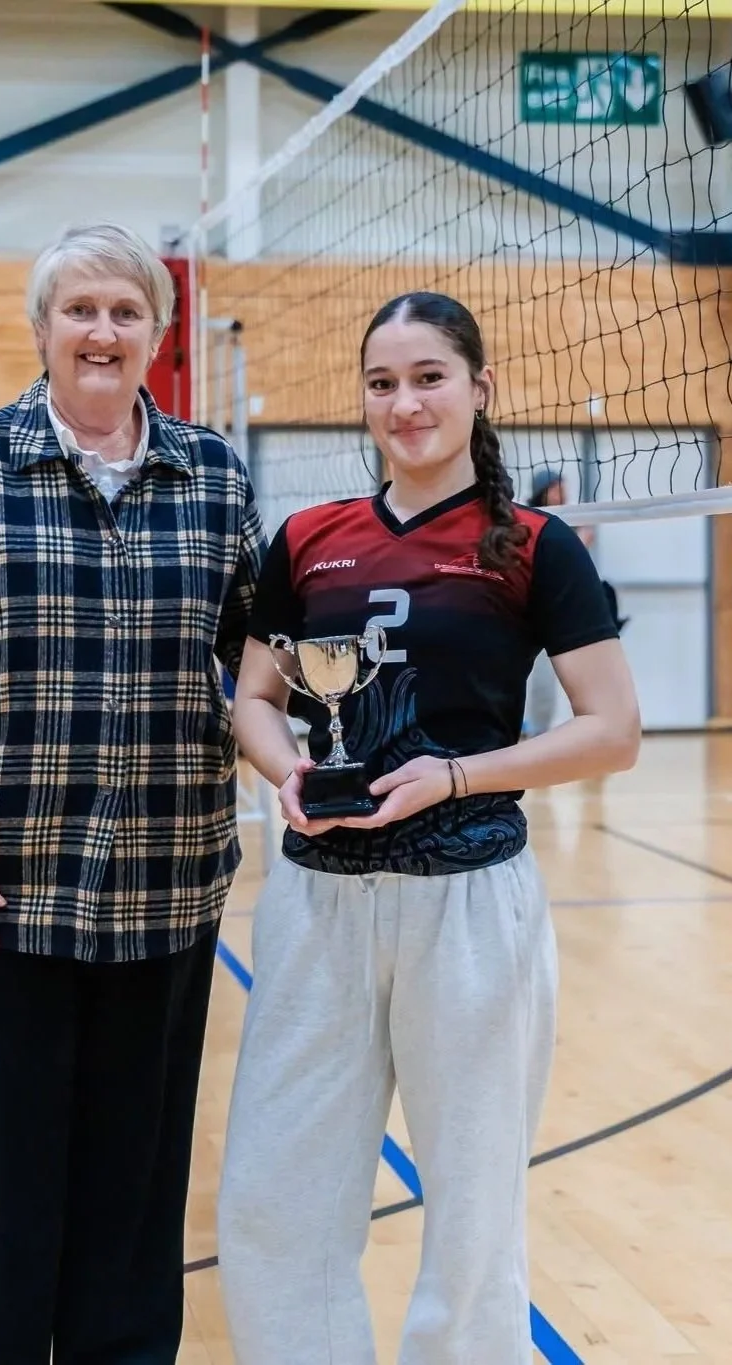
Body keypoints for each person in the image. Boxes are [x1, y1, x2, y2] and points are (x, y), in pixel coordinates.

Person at [0, 222, 267, 1365]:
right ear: (41, 331)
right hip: (0, 904)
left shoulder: (216, 477)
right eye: (79, 310)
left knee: (134, 1216)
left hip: (166, 897)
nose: (101, 331)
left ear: (156, 337)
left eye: (125, 312)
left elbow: (265, 668)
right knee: (3, 1207)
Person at [216, 291, 640, 1365]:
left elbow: (613, 730)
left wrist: (456, 777)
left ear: (478, 387)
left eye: (428, 377)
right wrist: (290, 771)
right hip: (318, 904)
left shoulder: (534, 547)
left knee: (473, 1216)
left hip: (468, 906)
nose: (405, 404)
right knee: (276, 1201)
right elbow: (257, 699)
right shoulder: (307, 540)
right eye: (382, 383)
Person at [523, 468, 626, 736]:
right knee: (537, 684)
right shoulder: (526, 522)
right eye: (557, 486)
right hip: (528, 615)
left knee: (583, 682)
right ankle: (533, 736)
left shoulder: (572, 520)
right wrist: (580, 542)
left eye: (563, 486)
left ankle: (594, 735)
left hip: (562, 617)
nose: (563, 492)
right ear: (544, 490)